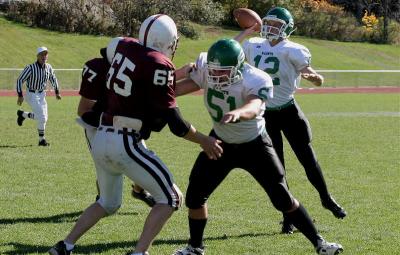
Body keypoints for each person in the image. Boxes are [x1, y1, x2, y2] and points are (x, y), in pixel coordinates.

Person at [48, 14, 222, 255]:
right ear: (167, 41)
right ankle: (139, 252)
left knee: (107, 203)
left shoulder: (121, 44)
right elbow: (176, 123)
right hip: (126, 141)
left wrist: (182, 75)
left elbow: (141, 80)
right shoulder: (160, 64)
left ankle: (64, 245)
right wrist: (203, 140)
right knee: (171, 198)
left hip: (100, 138)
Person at [172, 38, 343, 255]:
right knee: (195, 196)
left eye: (222, 71)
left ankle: (320, 244)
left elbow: (255, 105)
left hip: (254, 145)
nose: (215, 76)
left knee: (282, 198)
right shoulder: (208, 68)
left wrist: (238, 113)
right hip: (220, 142)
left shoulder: (256, 78)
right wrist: (168, 79)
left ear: (238, 67)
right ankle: (195, 248)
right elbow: (176, 90)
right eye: (213, 71)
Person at [234, 7, 346, 234]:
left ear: (286, 29)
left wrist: (316, 78)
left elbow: (317, 78)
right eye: (269, 23)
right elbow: (230, 48)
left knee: (308, 159)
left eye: (276, 24)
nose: (270, 28)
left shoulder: (293, 49)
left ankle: (326, 198)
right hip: (265, 114)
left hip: (289, 112)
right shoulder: (254, 43)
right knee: (278, 169)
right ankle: (288, 217)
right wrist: (247, 31)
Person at [76, 39, 155, 207]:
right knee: (106, 167)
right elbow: (83, 111)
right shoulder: (97, 68)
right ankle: (102, 197)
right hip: (98, 125)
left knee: (144, 157)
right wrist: (110, 120)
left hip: (125, 122)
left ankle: (139, 190)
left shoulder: (133, 67)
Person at [16, 46, 62, 146]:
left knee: (44, 118)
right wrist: (20, 95)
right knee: (42, 117)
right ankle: (42, 140)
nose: (44, 56)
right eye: (42, 54)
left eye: (46, 54)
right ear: (37, 56)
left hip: (42, 94)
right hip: (31, 94)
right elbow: (19, 80)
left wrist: (57, 92)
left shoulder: (49, 67)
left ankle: (23, 114)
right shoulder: (30, 68)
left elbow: (53, 79)